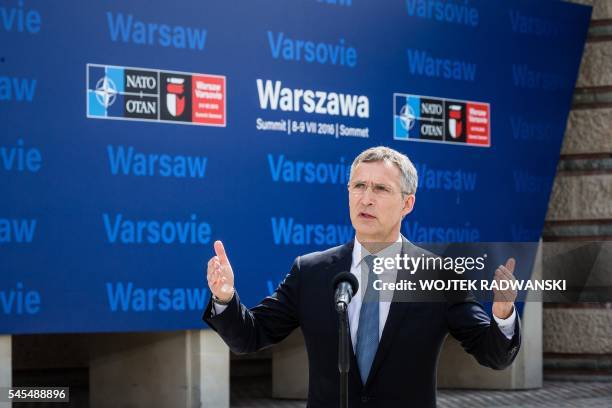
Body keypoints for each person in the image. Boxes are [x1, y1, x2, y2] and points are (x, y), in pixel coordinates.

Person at [203, 146, 520, 408]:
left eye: (381, 188)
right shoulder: (311, 271)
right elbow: (250, 336)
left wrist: (503, 314)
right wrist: (225, 298)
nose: (366, 198)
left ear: (407, 203)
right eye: (358, 186)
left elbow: (492, 354)